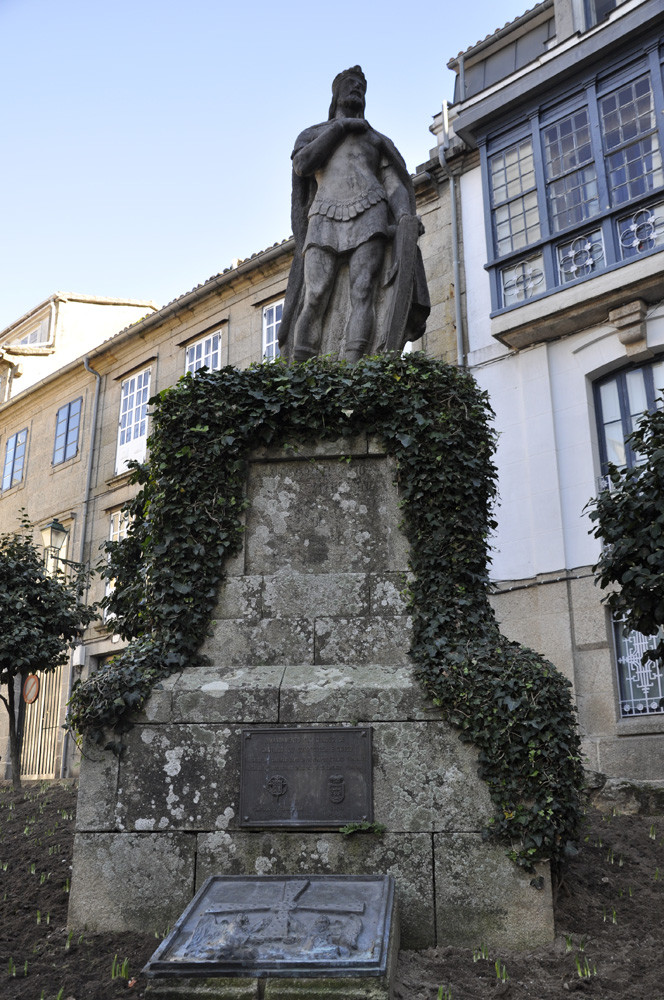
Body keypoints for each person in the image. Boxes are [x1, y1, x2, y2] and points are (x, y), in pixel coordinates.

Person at [278, 66, 429, 362]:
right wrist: (340, 127)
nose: (356, 88)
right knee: (315, 294)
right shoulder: (313, 133)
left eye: (361, 85)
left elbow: (394, 184)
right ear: (336, 93)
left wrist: (403, 217)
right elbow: (303, 165)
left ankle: (356, 363)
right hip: (323, 215)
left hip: (370, 211)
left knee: (363, 292)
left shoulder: (376, 140)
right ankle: (299, 369)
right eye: (350, 84)